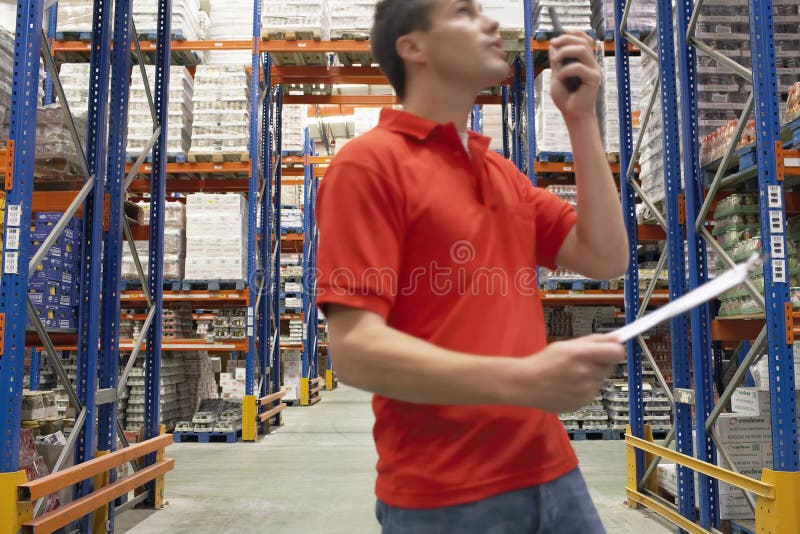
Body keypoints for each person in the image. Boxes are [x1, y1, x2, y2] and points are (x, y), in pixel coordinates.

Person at [314, 0, 630, 532]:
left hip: (554, 473)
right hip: (445, 494)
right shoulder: (367, 165)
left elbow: (606, 256)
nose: (491, 23)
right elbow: (354, 352)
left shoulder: (501, 174)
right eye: (464, 12)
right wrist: (523, 380)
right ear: (412, 47)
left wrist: (580, 122)